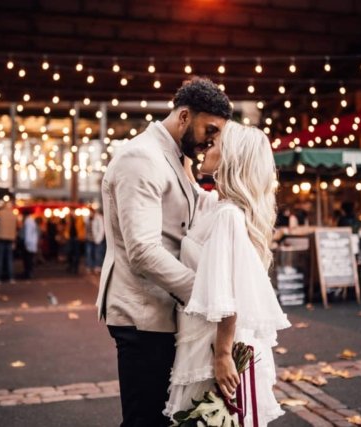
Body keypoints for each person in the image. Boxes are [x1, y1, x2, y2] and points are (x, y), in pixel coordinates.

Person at [96, 77, 232, 426]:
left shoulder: (176, 157)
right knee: (145, 420)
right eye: (210, 129)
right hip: (141, 313)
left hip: (165, 309)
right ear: (184, 116)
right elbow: (142, 250)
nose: (211, 141)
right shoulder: (140, 157)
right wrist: (204, 295)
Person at [164, 121, 290, 425]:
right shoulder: (216, 206)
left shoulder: (228, 216)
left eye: (215, 141)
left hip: (214, 344)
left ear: (232, 156)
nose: (207, 143)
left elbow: (229, 291)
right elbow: (192, 186)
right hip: (199, 336)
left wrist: (221, 355)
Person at [0, 201, 17, 284]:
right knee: (9, 259)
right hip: (10, 239)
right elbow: (15, 228)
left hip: (0, 238)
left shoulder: (0, 213)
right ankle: (11, 277)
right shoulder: (13, 215)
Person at [85, 209, 105, 274]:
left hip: (97, 239)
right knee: (89, 253)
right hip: (89, 239)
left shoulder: (98, 218)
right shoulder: (87, 218)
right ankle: (90, 266)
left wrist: (99, 239)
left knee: (98, 253)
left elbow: (102, 229)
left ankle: (98, 266)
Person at [22, 213, 39, 279]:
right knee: (30, 259)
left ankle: (28, 273)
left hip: (29, 243)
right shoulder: (32, 222)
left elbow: (28, 234)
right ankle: (30, 272)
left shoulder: (28, 222)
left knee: (28, 259)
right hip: (32, 242)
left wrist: (27, 242)